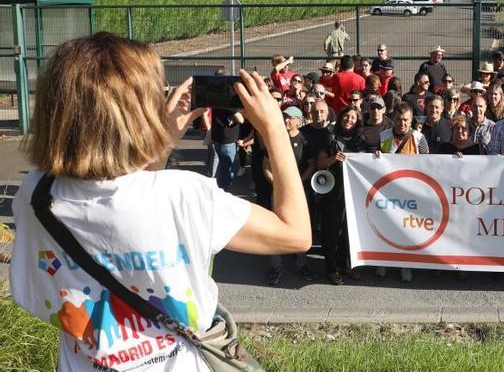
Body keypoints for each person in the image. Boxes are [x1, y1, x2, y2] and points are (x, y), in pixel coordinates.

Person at [10, 33, 311, 370]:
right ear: (139, 113)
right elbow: (295, 233)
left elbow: (118, 200)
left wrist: (162, 139)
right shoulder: (184, 195)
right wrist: (273, 129)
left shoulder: (36, 195)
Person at [262, 106, 316, 285]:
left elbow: (311, 164)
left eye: (290, 118)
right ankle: (275, 266)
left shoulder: (305, 140)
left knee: (300, 228)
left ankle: (302, 264)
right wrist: (276, 183)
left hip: (300, 192)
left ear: (298, 121)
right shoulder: (275, 139)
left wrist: (299, 183)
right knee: (274, 227)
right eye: (285, 117)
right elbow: (266, 166)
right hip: (278, 191)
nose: (286, 120)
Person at [377, 103, 429, 282]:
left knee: (407, 230)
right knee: (386, 227)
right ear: (394, 119)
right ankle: (383, 261)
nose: (402, 123)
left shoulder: (419, 138)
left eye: (406, 120)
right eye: (399, 120)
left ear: (411, 119)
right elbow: (377, 162)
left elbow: (427, 164)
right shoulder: (383, 135)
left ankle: (405, 266)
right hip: (388, 191)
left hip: (411, 192)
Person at [315, 105, 365, 285]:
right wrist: (333, 159)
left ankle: (345, 265)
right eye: (346, 116)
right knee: (332, 231)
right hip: (333, 191)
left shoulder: (360, 139)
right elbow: (320, 164)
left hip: (353, 192)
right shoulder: (330, 136)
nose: (349, 120)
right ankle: (331, 268)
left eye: (353, 117)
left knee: (348, 230)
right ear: (341, 117)